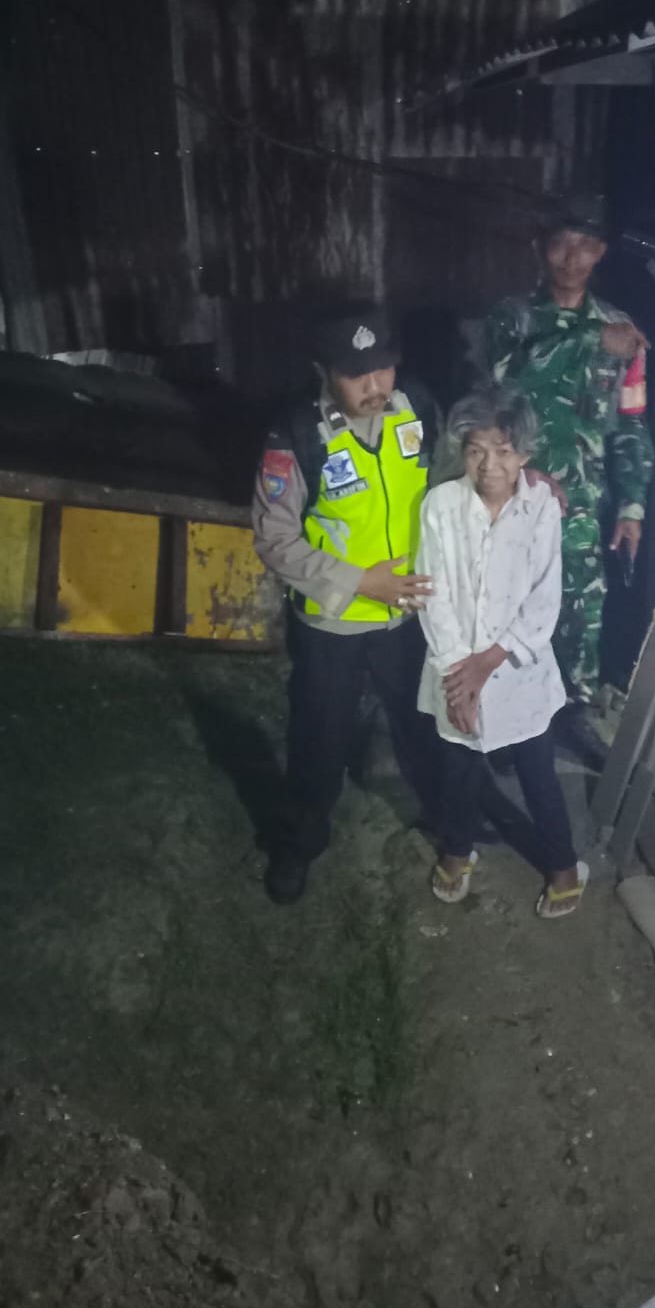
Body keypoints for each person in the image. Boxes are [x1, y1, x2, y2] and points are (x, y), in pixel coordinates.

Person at [252, 304, 438, 905]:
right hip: (331, 622)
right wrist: (359, 582)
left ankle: (446, 819)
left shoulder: (417, 409)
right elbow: (275, 539)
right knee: (319, 740)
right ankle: (299, 844)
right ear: (324, 372)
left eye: (383, 368)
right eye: (357, 374)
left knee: (422, 723)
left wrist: (524, 478)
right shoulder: (296, 434)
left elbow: (457, 478)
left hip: (408, 614)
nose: (374, 385)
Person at [482, 194, 654, 747]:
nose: (572, 257)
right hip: (512, 497)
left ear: (601, 252)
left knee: (580, 617)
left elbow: (631, 422)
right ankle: (507, 726)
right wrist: (590, 340)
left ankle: (572, 715)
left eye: (586, 245)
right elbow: (506, 379)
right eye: (561, 243)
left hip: (581, 505)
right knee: (508, 608)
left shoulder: (621, 329)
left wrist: (631, 505)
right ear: (541, 247)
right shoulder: (512, 318)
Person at [416, 386, 588, 919]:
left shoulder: (541, 508)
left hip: (518, 673)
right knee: (459, 769)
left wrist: (485, 665)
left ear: (526, 454)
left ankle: (562, 866)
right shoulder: (442, 506)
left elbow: (543, 600)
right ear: (462, 450)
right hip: (453, 667)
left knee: (538, 771)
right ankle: (456, 850)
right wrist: (458, 675)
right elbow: (433, 592)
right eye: (476, 451)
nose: (489, 466)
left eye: (504, 452)